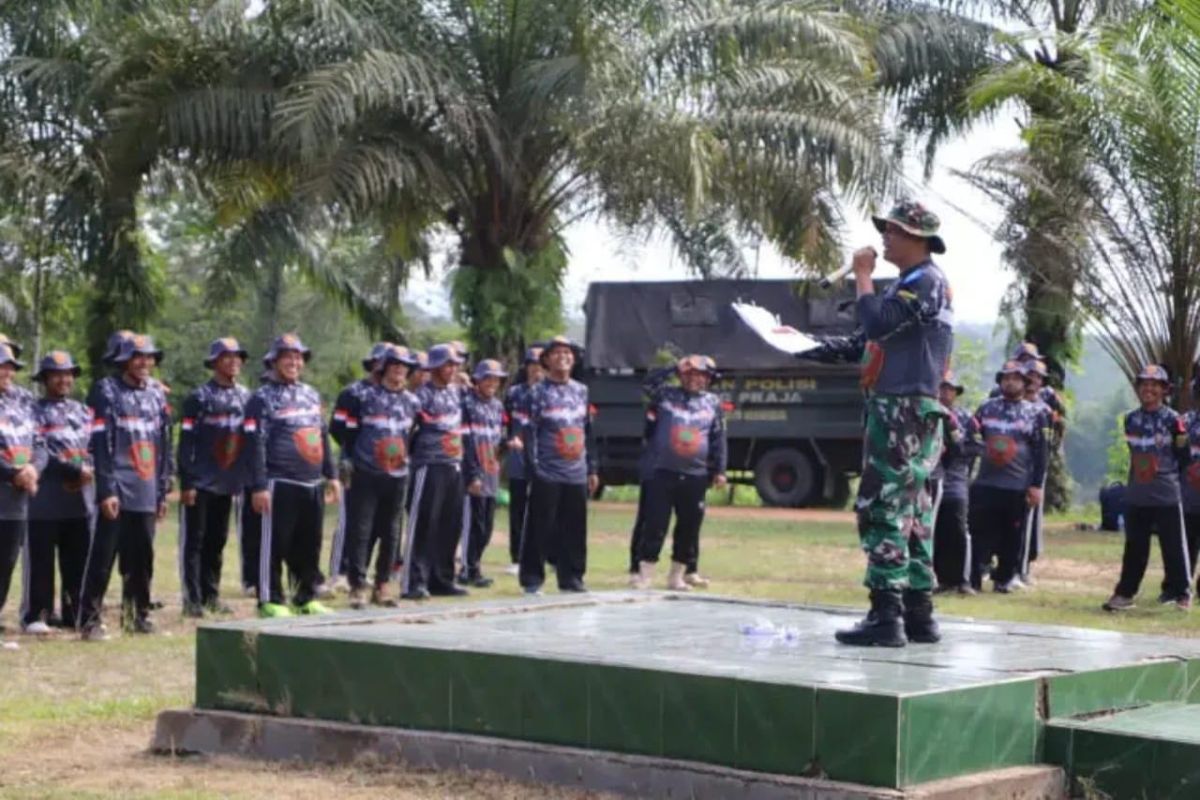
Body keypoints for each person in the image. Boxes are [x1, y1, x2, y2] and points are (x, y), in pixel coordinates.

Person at [808, 201, 954, 647]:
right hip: (908, 408)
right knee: (911, 511)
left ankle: (885, 617)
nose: (884, 238)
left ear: (916, 237)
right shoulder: (911, 285)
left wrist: (863, 275)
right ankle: (917, 615)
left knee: (883, 508)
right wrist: (803, 346)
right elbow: (863, 342)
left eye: (892, 231)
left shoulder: (925, 281)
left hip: (901, 409)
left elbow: (876, 322)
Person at [78, 335, 172, 639]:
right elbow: (100, 445)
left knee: (141, 558)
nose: (145, 363)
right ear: (122, 360)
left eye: (149, 357)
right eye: (137, 357)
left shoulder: (156, 395)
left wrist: (162, 490)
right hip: (117, 486)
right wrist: (106, 489)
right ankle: (89, 620)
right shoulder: (105, 391)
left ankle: (137, 616)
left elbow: (164, 444)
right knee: (103, 557)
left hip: (146, 488)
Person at [246, 334, 341, 617]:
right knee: (274, 544)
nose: (294, 362)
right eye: (287, 356)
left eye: (298, 357)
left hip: (311, 483)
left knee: (308, 544)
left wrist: (332, 474)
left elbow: (322, 436)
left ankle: (305, 597)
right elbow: (255, 443)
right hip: (278, 482)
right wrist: (259, 485)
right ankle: (270, 599)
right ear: (274, 361)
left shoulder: (310, 394)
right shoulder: (261, 398)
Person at [631, 355, 727, 590]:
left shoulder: (713, 402)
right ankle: (645, 575)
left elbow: (718, 437)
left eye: (700, 375)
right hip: (661, 471)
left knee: (689, 525)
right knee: (655, 523)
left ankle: (677, 576)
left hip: (695, 474)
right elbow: (647, 383)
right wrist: (674, 367)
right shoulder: (665, 395)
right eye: (689, 374)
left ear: (707, 379)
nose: (694, 379)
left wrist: (720, 469)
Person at [1103, 365, 1191, 612]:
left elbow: (1183, 457)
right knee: (1135, 548)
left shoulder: (1174, 420)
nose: (1148, 389)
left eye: (1154, 385)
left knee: (1173, 546)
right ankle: (1124, 594)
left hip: (1166, 494)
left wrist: (1169, 478)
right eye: (1144, 384)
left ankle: (1181, 593)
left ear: (1164, 390)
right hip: (1137, 494)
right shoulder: (1131, 419)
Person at [176, 338, 251, 618]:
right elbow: (185, 443)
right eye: (226, 357)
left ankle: (211, 595)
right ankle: (191, 599)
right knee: (194, 541)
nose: (233, 362)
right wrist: (187, 481)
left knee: (217, 541)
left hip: (228, 482)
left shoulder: (246, 397)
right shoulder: (199, 398)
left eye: (237, 357)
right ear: (215, 362)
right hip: (201, 482)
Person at [340, 344, 419, 608]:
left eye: (403, 366)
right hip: (366, 472)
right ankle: (357, 586)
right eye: (394, 364)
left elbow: (416, 434)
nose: (399, 370)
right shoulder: (364, 396)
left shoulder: (412, 401)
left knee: (392, 532)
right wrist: (348, 459)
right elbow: (345, 431)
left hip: (397, 475)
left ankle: (383, 584)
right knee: (361, 530)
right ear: (383, 367)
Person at [519, 335, 598, 595]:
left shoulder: (581, 391)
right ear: (546, 360)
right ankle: (532, 579)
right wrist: (534, 469)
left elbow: (587, 430)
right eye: (557, 353)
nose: (563, 357)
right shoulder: (537, 393)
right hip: (547, 470)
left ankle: (572, 578)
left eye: (567, 353)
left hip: (575, 471)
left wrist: (592, 467)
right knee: (540, 526)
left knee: (574, 528)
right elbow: (528, 433)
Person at [22, 351, 93, 634]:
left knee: (77, 558)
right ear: (45, 379)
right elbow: (41, 450)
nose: (64, 380)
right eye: (57, 375)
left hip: (79, 500)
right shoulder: (33, 410)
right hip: (45, 498)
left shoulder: (81, 410)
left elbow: (93, 444)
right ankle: (36, 614)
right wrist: (73, 470)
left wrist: (89, 468)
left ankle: (74, 612)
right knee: (41, 561)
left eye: (68, 374)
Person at [966, 361, 1047, 594]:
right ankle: (974, 576)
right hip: (986, 482)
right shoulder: (986, 408)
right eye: (1006, 378)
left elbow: (1041, 452)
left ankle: (1004, 578)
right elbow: (970, 438)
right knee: (979, 531)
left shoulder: (1036, 413)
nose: (1010, 382)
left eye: (1016, 378)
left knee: (1012, 534)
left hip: (1017, 485)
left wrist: (1035, 486)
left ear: (1024, 383)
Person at [401, 343, 469, 599]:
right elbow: (408, 430)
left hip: (454, 463)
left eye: (454, 364)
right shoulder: (420, 395)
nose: (452, 369)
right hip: (428, 464)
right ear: (434, 367)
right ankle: (414, 581)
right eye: (447, 364)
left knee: (450, 524)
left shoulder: (457, 393)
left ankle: (441, 578)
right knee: (423, 523)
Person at [327, 342, 392, 591]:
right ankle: (338, 572)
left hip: (382, 470)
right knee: (348, 520)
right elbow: (336, 428)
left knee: (372, 524)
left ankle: (360, 571)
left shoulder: (393, 395)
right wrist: (349, 454)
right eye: (380, 363)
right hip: (353, 464)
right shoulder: (353, 393)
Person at [460, 359, 508, 588]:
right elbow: (465, 442)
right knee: (473, 524)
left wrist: (510, 444)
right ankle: (468, 569)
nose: (492, 383)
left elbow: (499, 440)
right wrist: (473, 473)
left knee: (487, 527)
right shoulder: (467, 405)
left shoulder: (498, 407)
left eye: (496, 379)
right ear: (477, 380)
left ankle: (475, 563)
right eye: (487, 378)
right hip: (474, 474)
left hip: (492, 472)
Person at [0, 344, 37, 637]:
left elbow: (42, 441)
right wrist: (13, 472)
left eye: (10, 366)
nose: (7, 371)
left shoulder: (23, 401)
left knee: (7, 561)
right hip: (8, 482)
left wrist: (33, 468)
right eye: (2, 365)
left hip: (16, 499)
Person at [931, 373, 976, 595]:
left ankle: (962, 580)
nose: (944, 393)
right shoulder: (927, 414)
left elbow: (970, 449)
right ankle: (938, 578)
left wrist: (952, 430)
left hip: (956, 480)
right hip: (930, 478)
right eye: (941, 388)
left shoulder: (965, 418)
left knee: (958, 530)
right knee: (933, 530)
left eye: (950, 389)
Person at [503, 347, 542, 575]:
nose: (537, 368)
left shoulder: (549, 392)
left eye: (540, 364)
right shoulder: (515, 393)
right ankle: (516, 556)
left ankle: (541, 554)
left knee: (541, 507)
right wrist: (509, 440)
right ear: (526, 366)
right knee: (517, 507)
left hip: (542, 457)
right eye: (533, 364)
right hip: (518, 456)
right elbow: (506, 423)